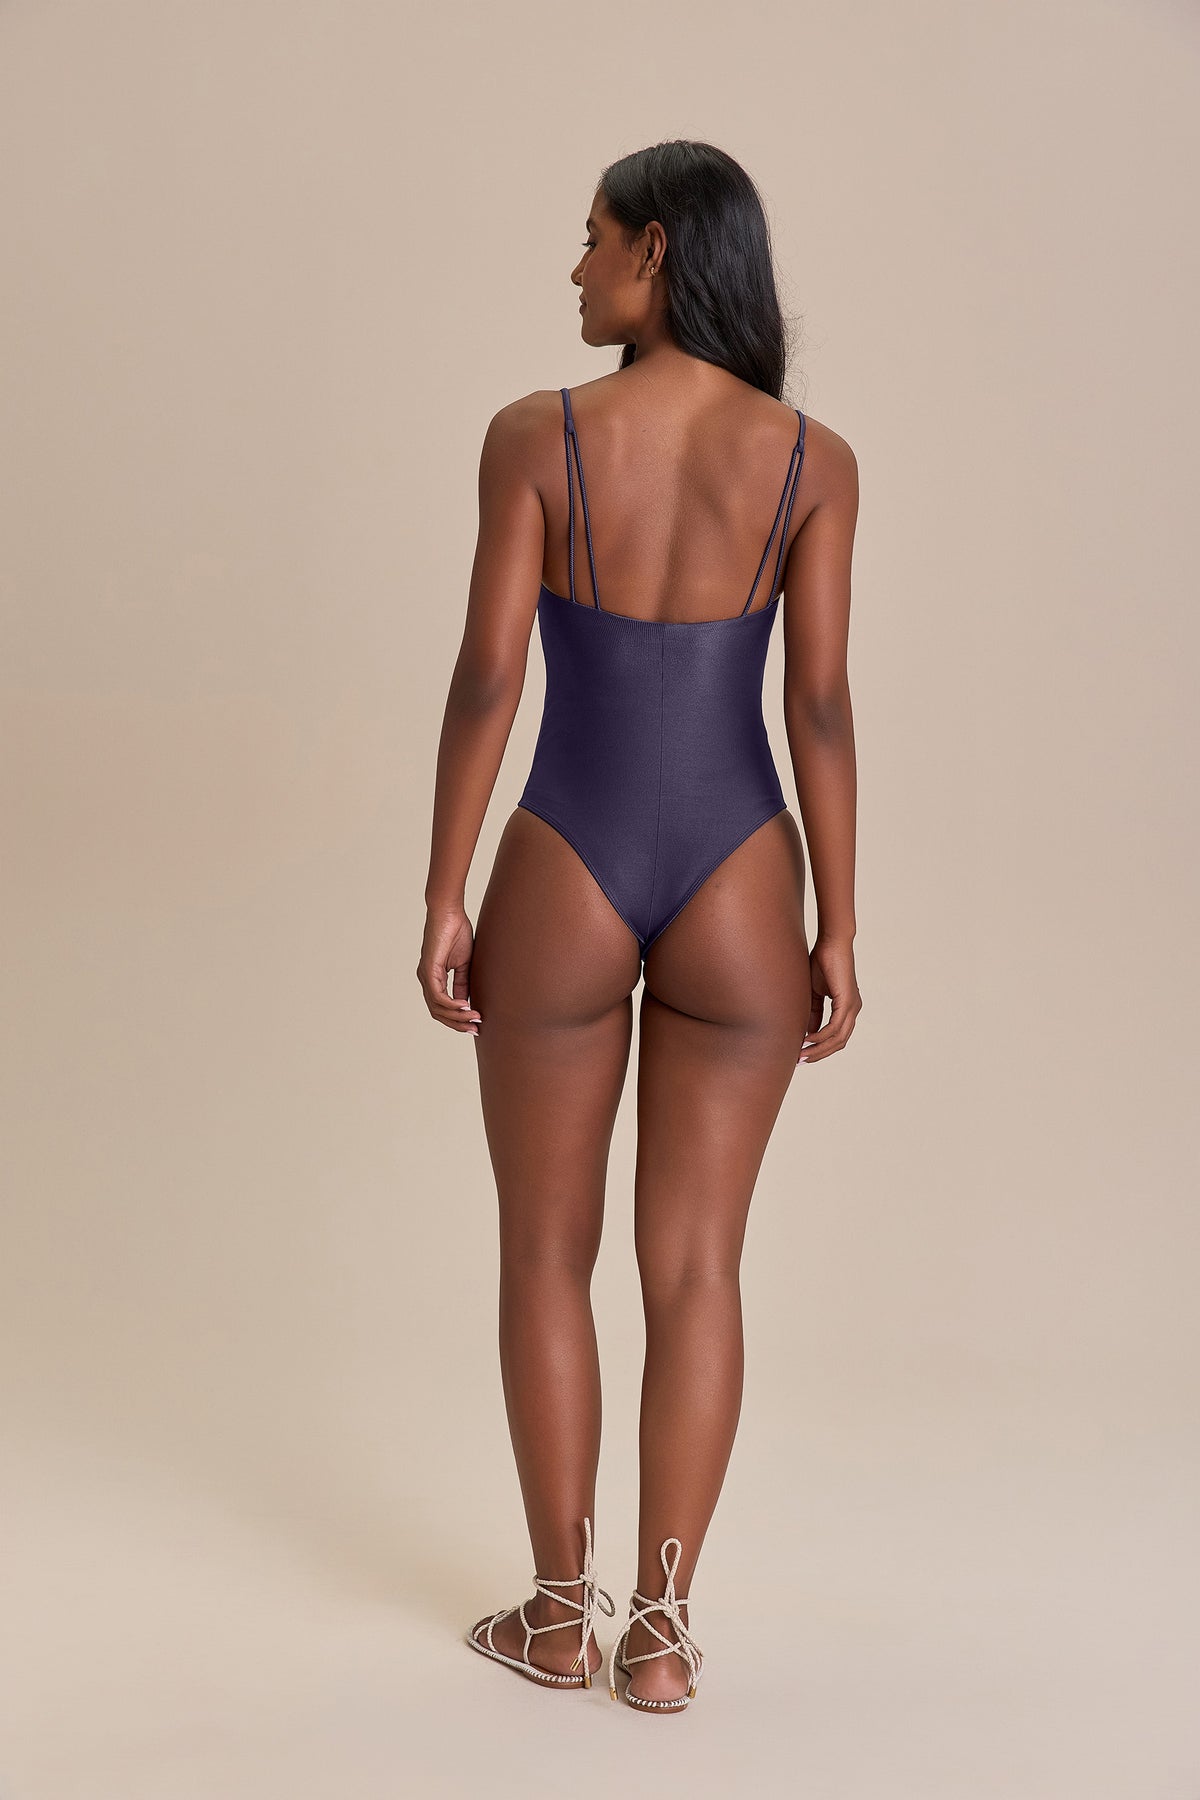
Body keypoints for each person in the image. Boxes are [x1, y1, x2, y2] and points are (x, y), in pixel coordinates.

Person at [418, 138, 862, 1714]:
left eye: (594, 238)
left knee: (546, 1249)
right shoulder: (813, 459)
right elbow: (818, 703)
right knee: (699, 1270)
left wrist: (444, 889)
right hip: (746, 868)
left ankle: (559, 1617)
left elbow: (490, 676)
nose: (577, 267)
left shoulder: (535, 437)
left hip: (568, 858)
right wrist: (841, 925)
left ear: (656, 250)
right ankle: (660, 1639)